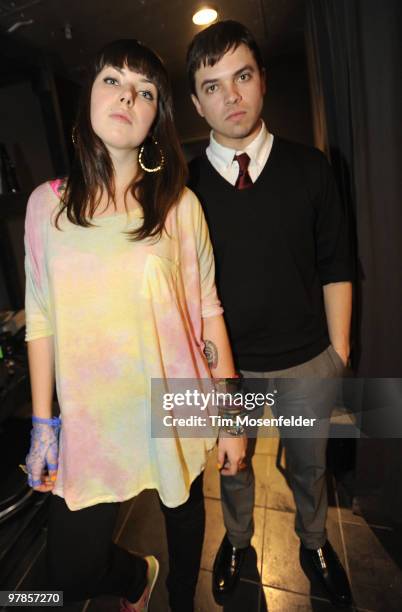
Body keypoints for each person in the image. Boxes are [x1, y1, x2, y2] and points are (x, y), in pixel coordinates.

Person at [24, 38, 246, 612]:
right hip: (92, 419)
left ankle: (177, 599)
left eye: (144, 91)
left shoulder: (179, 207)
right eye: (112, 81)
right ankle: (133, 579)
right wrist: (44, 423)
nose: (127, 96)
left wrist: (230, 418)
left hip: (173, 403)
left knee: (183, 519)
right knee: (69, 570)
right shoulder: (45, 208)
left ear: (155, 119)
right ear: (88, 100)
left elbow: (209, 311)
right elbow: (41, 318)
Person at [186, 20, 353, 607]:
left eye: (242, 76)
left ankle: (314, 543)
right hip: (230, 369)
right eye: (213, 85)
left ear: (261, 82)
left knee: (310, 469)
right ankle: (237, 542)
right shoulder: (183, 188)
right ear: (196, 102)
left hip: (308, 361)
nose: (231, 96)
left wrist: (339, 353)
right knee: (233, 471)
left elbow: (337, 263)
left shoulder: (311, 167)